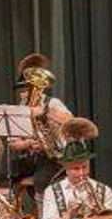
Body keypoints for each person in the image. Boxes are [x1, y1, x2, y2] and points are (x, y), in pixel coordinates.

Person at [8, 53, 73, 198]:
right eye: (22, 91)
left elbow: (71, 121)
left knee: (41, 179)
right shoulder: (21, 108)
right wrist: (28, 143)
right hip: (31, 157)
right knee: (4, 174)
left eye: (27, 89)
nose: (24, 94)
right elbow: (13, 144)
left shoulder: (52, 103)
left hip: (54, 158)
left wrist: (44, 111)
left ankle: (46, 214)